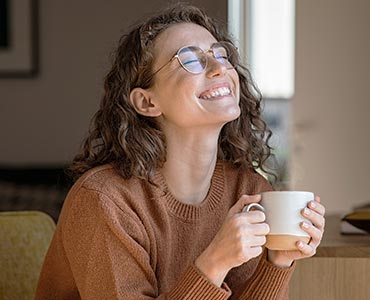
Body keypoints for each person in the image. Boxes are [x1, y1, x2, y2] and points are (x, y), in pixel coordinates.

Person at [35, 4, 325, 300]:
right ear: (147, 103)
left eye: (220, 54)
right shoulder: (106, 201)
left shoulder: (248, 190)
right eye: (189, 59)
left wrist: (278, 261)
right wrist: (215, 262)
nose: (220, 68)